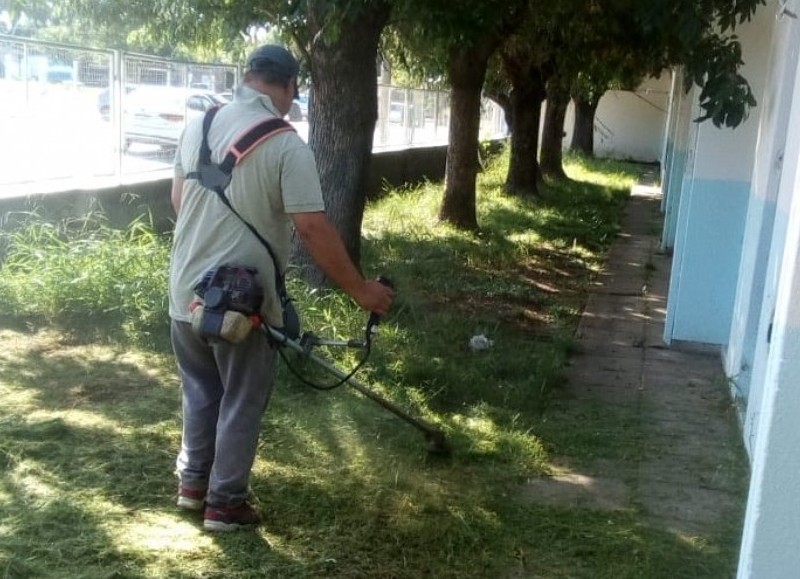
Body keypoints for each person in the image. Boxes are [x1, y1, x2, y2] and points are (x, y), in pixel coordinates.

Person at [168, 44, 394, 532]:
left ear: (246, 78)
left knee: (200, 389)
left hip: (185, 290)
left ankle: (193, 485)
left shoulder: (197, 126)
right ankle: (225, 504)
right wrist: (361, 290)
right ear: (290, 88)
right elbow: (312, 228)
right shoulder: (287, 144)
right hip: (241, 303)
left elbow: (178, 200)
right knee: (241, 397)